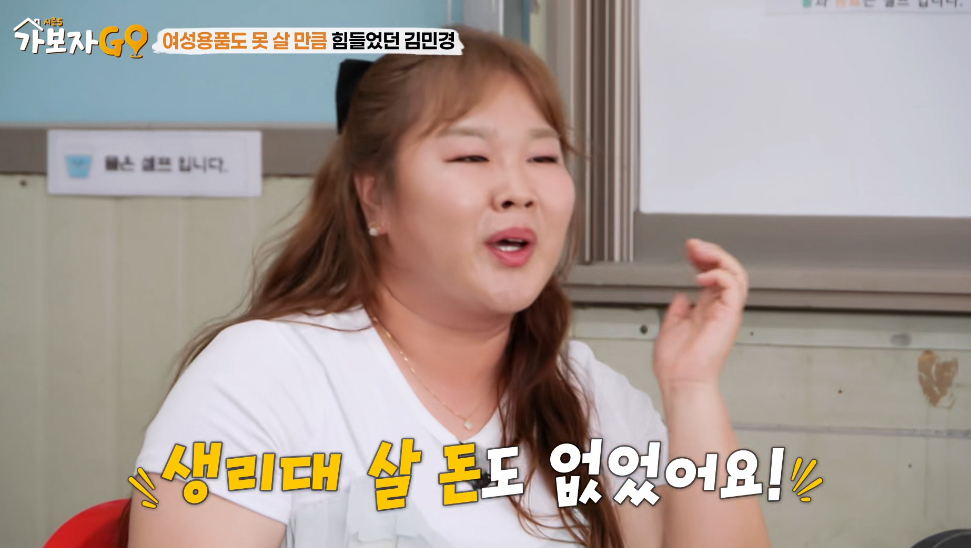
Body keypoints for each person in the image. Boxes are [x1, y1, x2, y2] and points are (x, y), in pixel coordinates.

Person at [128, 26, 770, 548]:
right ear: (375, 197)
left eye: (543, 158)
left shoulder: (587, 395)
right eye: (472, 157)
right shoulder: (266, 375)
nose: (518, 189)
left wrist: (692, 389)